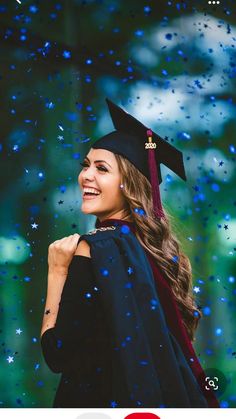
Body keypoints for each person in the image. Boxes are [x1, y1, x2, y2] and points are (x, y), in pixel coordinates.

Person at [40, 99, 220, 408]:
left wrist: (56, 271)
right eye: (86, 165)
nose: (86, 176)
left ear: (129, 185)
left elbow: (58, 353)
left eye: (102, 168)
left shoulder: (95, 249)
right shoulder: (149, 250)